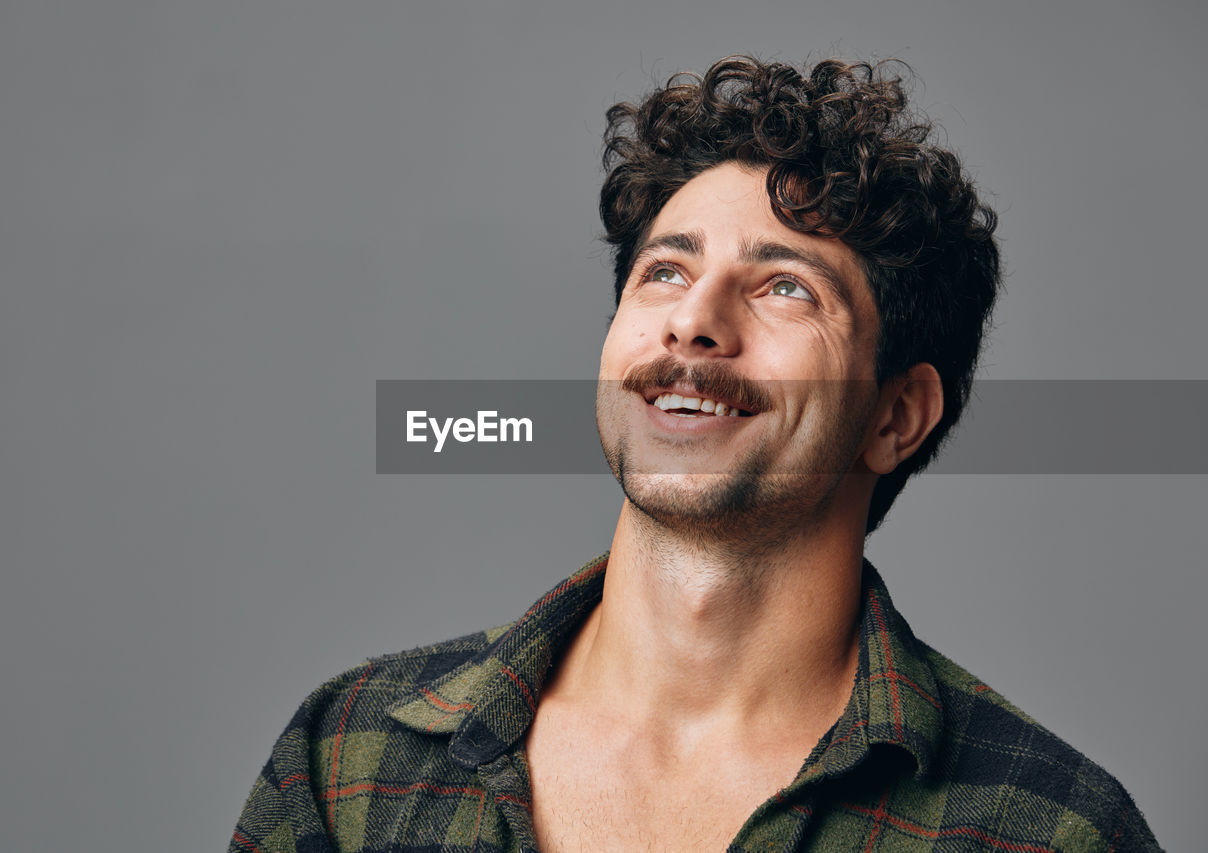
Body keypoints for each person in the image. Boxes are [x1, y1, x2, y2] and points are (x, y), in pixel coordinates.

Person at [229, 57, 1159, 852]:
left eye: (786, 287)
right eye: (665, 270)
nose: (694, 321)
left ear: (897, 415)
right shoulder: (348, 760)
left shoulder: (1051, 829)